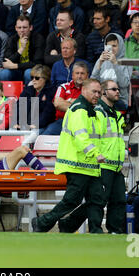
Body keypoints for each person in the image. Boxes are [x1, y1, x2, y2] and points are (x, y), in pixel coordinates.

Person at [32, 78, 106, 233]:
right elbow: (81, 137)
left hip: (89, 165)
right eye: (94, 91)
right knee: (72, 200)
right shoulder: (79, 110)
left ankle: (94, 231)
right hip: (77, 164)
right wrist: (95, 153)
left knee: (97, 199)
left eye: (99, 92)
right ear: (84, 90)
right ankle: (43, 223)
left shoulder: (90, 110)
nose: (97, 95)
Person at [58, 80, 127, 234]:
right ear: (104, 92)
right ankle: (89, 228)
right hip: (102, 164)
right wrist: (97, 156)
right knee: (97, 201)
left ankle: (115, 231)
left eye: (118, 89)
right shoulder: (98, 113)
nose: (118, 92)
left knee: (119, 199)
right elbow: (91, 138)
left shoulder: (116, 114)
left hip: (115, 165)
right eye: (114, 89)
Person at [0, 15, 44, 84]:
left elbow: (37, 62)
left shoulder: (38, 38)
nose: (22, 30)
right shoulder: (12, 39)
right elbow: (6, 61)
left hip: (29, 69)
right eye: (19, 28)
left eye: (25, 27)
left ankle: (28, 93)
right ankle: (6, 94)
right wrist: (21, 49)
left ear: (31, 28)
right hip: (16, 71)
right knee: (4, 73)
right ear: (16, 28)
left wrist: (15, 66)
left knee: (28, 73)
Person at [91, 33, 132, 111]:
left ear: (120, 46)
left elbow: (124, 84)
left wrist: (115, 63)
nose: (111, 49)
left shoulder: (126, 62)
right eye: (109, 46)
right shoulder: (100, 60)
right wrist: (99, 63)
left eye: (114, 46)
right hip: (101, 98)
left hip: (119, 99)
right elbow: (92, 82)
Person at [47, 60, 88, 135]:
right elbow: (58, 104)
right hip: (63, 121)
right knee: (45, 136)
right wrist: (79, 105)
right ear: (72, 75)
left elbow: (90, 108)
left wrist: (68, 101)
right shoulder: (64, 87)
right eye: (77, 73)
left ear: (87, 75)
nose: (79, 76)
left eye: (82, 73)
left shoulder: (90, 89)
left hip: (83, 122)